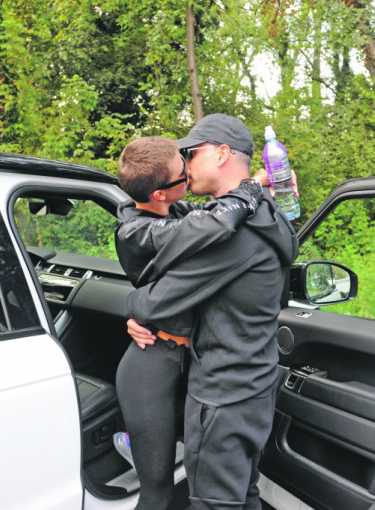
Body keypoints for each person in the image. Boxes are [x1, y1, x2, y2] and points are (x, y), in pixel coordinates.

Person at [126, 114, 300, 510]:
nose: (185, 163)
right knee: (244, 495)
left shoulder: (231, 235)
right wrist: (257, 184)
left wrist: (131, 307)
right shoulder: (270, 213)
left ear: (222, 154)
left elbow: (152, 301)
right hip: (255, 386)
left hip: (222, 397)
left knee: (213, 503)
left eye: (191, 153)